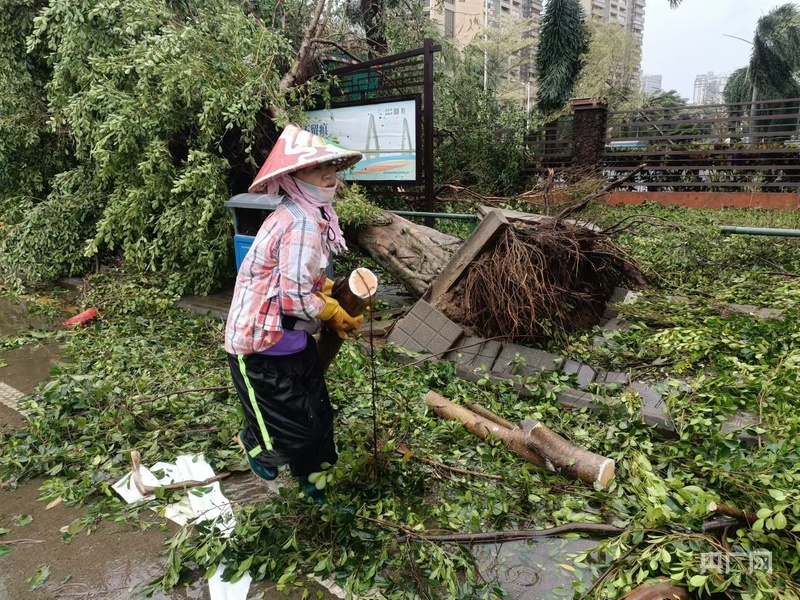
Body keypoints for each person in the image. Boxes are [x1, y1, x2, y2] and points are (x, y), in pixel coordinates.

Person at [225, 124, 364, 503]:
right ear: (292, 177)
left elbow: (298, 276)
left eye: (331, 165)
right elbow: (293, 299)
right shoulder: (300, 222)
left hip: (294, 341)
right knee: (293, 433)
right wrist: (331, 310)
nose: (329, 173)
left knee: (319, 421)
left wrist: (328, 291)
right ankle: (254, 442)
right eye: (316, 167)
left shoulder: (311, 214)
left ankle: (317, 492)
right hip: (259, 346)